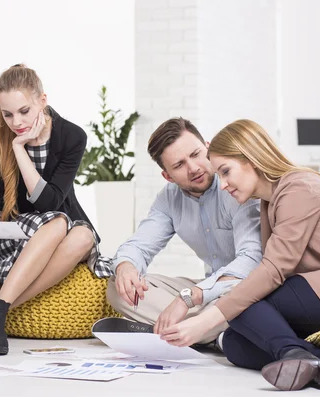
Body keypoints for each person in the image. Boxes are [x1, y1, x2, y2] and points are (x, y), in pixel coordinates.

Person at [159, 119, 320, 391]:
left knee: (243, 303)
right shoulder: (271, 201)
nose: (223, 185)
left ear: (251, 159)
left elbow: (274, 271)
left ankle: (305, 356)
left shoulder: (299, 188)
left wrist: (203, 321)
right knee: (235, 343)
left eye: (226, 171)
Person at [0, 64, 113, 356]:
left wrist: (19, 148)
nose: (16, 122)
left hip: (61, 229)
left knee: (82, 236)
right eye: (7, 114)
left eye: (24, 111)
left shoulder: (72, 136)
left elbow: (50, 203)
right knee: (56, 225)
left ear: (43, 101)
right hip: (19, 234)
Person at [106, 117, 262, 346]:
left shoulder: (235, 184)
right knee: (117, 288)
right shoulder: (169, 199)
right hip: (210, 290)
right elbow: (139, 245)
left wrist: (188, 298)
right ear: (167, 176)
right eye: (179, 165)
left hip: (242, 286)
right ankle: (208, 334)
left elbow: (251, 261)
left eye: (196, 154)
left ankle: (189, 331)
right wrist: (126, 267)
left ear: (208, 148)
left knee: (245, 296)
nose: (193, 168)